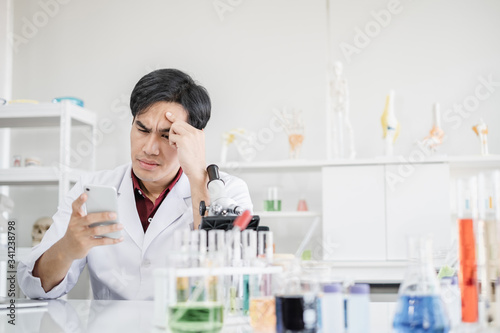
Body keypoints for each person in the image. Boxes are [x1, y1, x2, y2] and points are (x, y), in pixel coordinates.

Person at [17, 69, 253, 300]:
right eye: (142, 129)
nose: (149, 148)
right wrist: (67, 248)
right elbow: (32, 285)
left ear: (193, 139)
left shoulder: (229, 192)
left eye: (166, 135)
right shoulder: (89, 189)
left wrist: (198, 181)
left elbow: (234, 290)